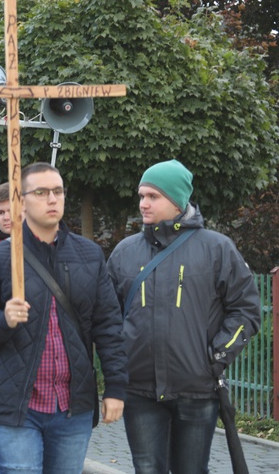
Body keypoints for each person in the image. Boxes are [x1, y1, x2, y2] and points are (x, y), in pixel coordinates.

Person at [0, 162, 127, 473]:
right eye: (41, 192)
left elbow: (109, 327)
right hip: (13, 406)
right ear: (20, 202)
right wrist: (3, 320)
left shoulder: (89, 256)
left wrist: (116, 388)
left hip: (71, 406)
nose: (52, 199)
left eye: (58, 191)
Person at [107, 159, 261, 474]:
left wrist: (217, 355)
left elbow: (246, 309)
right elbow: (106, 317)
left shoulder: (217, 249)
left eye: (153, 196)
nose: (143, 204)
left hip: (196, 387)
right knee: (148, 468)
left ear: (178, 201)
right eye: (141, 195)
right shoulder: (124, 253)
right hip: (139, 388)